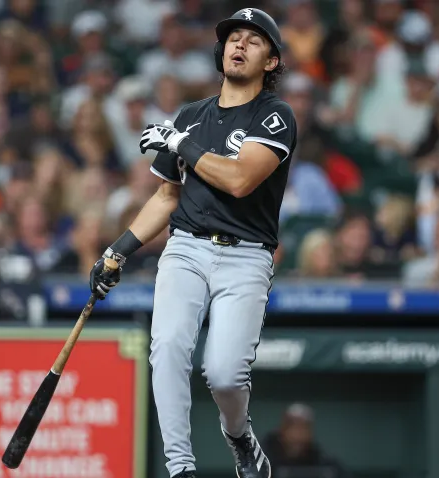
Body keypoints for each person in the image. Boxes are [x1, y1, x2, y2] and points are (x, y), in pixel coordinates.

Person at [89, 8, 296, 478]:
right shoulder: (190, 116)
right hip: (185, 247)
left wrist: (181, 144)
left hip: (246, 255)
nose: (239, 45)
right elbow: (166, 197)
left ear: (271, 62)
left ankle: (239, 434)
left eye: (254, 40)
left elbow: (241, 179)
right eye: (233, 38)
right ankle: (180, 468)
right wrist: (117, 249)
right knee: (167, 349)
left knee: (223, 373)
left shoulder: (276, 115)